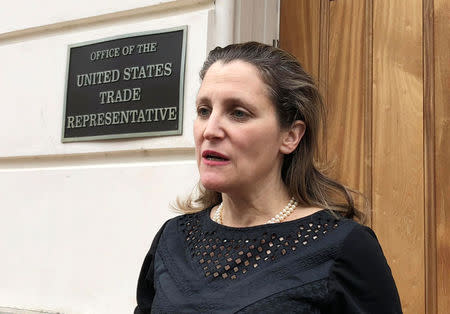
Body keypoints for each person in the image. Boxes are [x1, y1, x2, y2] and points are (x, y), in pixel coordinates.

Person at [134, 42, 402, 313]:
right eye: (204, 111)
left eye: (238, 113)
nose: (210, 130)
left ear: (290, 136)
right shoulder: (173, 238)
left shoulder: (343, 247)